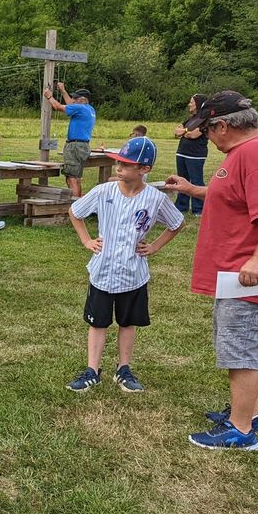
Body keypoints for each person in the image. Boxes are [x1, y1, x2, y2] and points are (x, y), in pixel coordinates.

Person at [165, 91, 258, 450]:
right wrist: (193, 189)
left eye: (208, 129)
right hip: (238, 273)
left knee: (242, 347)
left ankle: (241, 432)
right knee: (238, 343)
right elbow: (236, 194)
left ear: (223, 125)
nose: (207, 136)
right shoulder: (248, 153)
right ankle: (250, 414)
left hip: (250, 276)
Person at [66, 137, 184, 393]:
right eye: (119, 161)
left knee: (127, 322)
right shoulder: (103, 192)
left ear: (144, 169)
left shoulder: (155, 199)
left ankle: (124, 369)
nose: (119, 167)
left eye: (127, 164)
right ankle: (92, 370)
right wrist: (87, 240)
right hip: (103, 271)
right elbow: (75, 212)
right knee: (97, 322)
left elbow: (177, 223)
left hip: (133, 273)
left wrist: (154, 246)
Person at [42, 81, 96, 196]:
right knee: (76, 177)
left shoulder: (80, 109)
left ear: (82, 99)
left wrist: (49, 96)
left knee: (71, 178)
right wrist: (63, 91)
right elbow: (71, 104)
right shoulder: (90, 109)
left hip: (75, 146)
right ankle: (79, 204)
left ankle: (75, 207)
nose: (73, 100)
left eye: (75, 98)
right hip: (83, 146)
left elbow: (57, 106)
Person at [173, 94, 208, 216]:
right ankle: (181, 206)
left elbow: (194, 135)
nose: (189, 104)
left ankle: (198, 209)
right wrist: (185, 131)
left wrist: (185, 131)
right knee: (182, 180)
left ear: (198, 104)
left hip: (195, 155)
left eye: (191, 102)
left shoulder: (204, 120)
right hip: (182, 152)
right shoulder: (190, 119)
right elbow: (177, 132)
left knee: (196, 181)